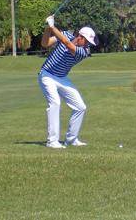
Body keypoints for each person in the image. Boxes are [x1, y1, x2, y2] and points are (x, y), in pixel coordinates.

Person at [38, 14, 97, 149]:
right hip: (47, 75)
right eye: (86, 41)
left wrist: (53, 26)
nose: (88, 44)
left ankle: (71, 139)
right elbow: (45, 43)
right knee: (55, 103)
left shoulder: (83, 52)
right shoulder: (65, 34)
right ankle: (52, 141)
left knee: (80, 107)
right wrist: (48, 28)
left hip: (62, 78)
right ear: (79, 36)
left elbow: (67, 43)